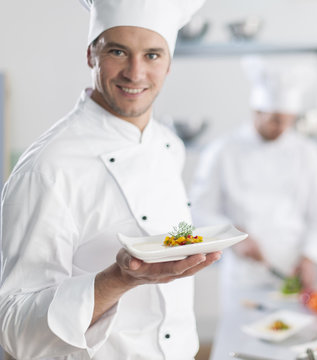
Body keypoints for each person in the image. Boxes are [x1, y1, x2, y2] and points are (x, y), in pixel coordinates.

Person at [0, 0, 222, 359]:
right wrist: (120, 280)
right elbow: (12, 329)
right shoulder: (48, 167)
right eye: (118, 52)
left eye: (152, 55)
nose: (135, 73)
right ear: (91, 55)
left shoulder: (167, 145)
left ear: (168, 65)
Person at [189, 56, 317, 293]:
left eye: (288, 122)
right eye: (275, 120)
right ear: (257, 111)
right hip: (242, 275)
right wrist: (233, 237)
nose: (281, 128)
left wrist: (311, 257)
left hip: (294, 269)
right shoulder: (222, 151)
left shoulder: (307, 153)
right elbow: (200, 209)